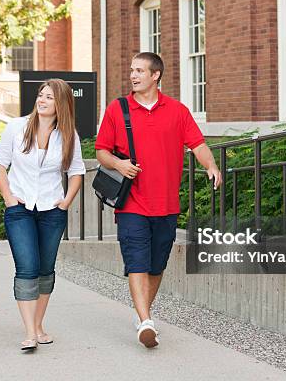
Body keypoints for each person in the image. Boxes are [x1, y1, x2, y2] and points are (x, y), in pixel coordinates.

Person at [95, 52, 222, 348]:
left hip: (166, 204)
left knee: (156, 265)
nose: (133, 75)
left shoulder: (177, 111)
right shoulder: (118, 109)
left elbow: (198, 144)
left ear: (156, 76)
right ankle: (146, 320)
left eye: (139, 70)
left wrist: (211, 165)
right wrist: (119, 164)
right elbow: (102, 151)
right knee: (136, 261)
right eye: (131, 70)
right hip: (132, 203)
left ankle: (143, 316)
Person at [0, 78, 85, 351]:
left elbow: (77, 171)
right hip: (19, 210)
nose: (42, 100)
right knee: (27, 267)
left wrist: (66, 202)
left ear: (62, 104)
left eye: (49, 97)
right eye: (41, 95)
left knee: (46, 271)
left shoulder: (69, 135)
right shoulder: (17, 127)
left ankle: (38, 324)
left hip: (51, 211)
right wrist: (9, 198)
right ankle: (30, 332)